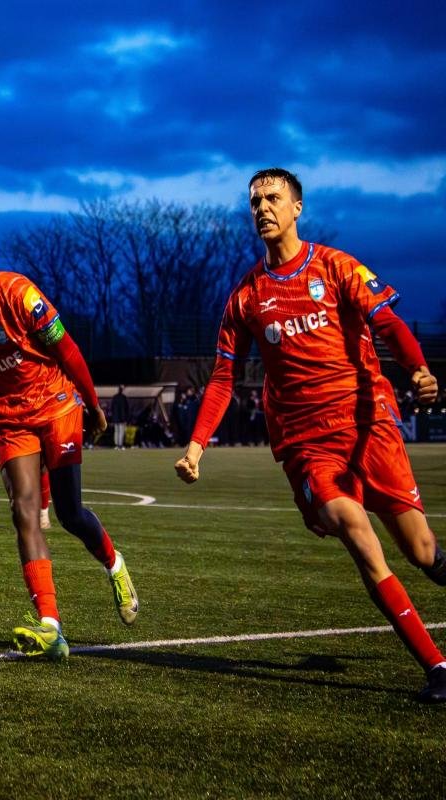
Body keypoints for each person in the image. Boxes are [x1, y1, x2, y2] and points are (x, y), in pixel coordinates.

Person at [175, 167, 446, 702]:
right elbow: (224, 378)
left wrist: (416, 368)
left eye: (273, 198)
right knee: (356, 530)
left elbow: (388, 323)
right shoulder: (245, 298)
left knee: (421, 551)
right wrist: (196, 446)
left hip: (369, 426)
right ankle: (437, 666)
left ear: (297, 207)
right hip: (307, 444)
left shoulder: (337, 267)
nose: (262, 208)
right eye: (254, 201)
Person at [0, 229, 139, 660]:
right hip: (12, 420)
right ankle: (51, 626)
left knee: (71, 514)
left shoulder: (18, 293)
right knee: (23, 512)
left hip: (56, 407)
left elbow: (66, 350)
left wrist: (94, 403)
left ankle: (115, 565)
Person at [110, 385, 130, 450]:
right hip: (122, 418)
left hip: (116, 418)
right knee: (121, 432)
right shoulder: (124, 398)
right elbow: (127, 409)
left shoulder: (114, 397)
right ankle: (120, 445)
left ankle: (116, 445)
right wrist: (126, 418)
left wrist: (113, 417)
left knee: (116, 431)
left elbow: (112, 408)